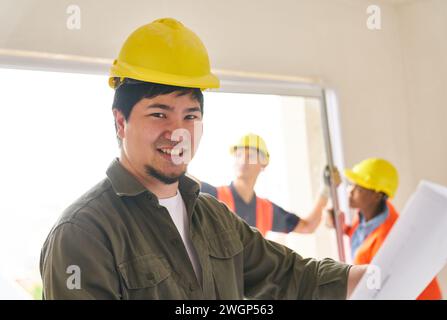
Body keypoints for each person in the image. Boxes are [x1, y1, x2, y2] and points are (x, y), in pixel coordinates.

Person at [40, 17, 365, 299]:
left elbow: (294, 277)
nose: (178, 132)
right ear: (120, 122)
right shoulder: (83, 233)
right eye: (159, 114)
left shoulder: (214, 218)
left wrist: (376, 277)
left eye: (190, 117)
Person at [327, 158, 442, 299]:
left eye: (359, 187)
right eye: (352, 184)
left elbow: (377, 290)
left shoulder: (387, 240)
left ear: (376, 196)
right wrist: (341, 227)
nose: (350, 191)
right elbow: (363, 238)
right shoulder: (369, 213)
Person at [201, 133, 339, 236]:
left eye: (251, 156)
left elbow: (308, 226)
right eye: (238, 155)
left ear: (263, 163)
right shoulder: (212, 195)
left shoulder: (266, 210)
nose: (243, 160)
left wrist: (326, 189)